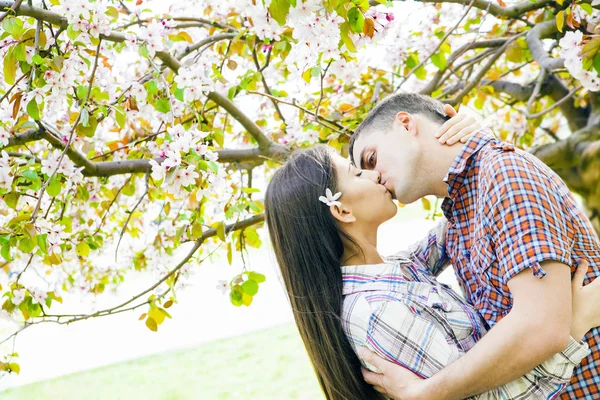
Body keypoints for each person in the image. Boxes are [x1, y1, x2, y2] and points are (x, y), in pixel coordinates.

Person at [264, 143, 598, 400]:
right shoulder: (378, 311)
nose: (373, 174)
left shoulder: (392, 270)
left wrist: (464, 140)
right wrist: (574, 326)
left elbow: (455, 224)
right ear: (341, 210)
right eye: (355, 173)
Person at [349, 93, 600, 400]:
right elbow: (385, 269)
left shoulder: (503, 173)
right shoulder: (459, 212)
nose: (373, 177)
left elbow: (542, 326)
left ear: (405, 124)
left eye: (371, 159)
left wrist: (424, 394)